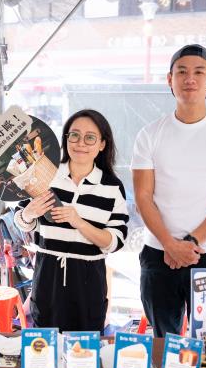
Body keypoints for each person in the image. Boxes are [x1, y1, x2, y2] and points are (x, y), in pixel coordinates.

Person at [131, 44, 206, 338]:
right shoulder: (149, 134)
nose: (190, 78)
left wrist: (189, 243)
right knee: (165, 340)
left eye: (199, 72)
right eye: (182, 72)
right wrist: (170, 245)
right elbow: (143, 197)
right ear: (169, 79)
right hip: (158, 254)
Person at [14, 109, 129, 332]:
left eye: (90, 137)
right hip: (48, 275)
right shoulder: (46, 175)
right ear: (65, 139)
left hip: (89, 278)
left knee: (84, 352)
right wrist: (29, 214)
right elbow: (22, 221)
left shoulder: (112, 187)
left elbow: (115, 241)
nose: (80, 143)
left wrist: (80, 222)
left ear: (102, 144)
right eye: (74, 135)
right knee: (44, 347)